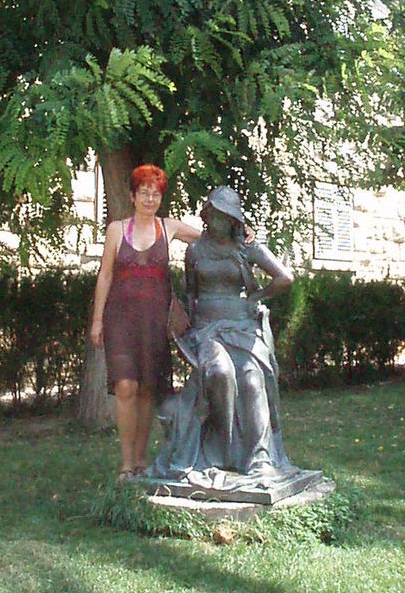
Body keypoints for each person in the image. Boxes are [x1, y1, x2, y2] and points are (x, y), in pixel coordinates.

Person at [150, 186, 297, 489]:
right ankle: (218, 452)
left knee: (252, 379)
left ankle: (259, 459)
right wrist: (189, 332)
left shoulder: (246, 248)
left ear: (233, 220)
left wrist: (257, 297)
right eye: (213, 215)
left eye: (224, 216)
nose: (217, 222)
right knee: (219, 372)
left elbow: (285, 278)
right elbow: (191, 294)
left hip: (242, 327)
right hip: (207, 329)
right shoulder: (195, 251)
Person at [89, 164, 201, 482]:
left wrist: (241, 232)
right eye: (144, 193)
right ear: (132, 196)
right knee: (126, 387)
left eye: (155, 194)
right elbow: (105, 275)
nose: (150, 199)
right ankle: (126, 464)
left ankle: (141, 461)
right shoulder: (116, 230)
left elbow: (210, 239)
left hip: (155, 323)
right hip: (119, 322)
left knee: (148, 390)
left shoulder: (169, 227)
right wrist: (97, 320)